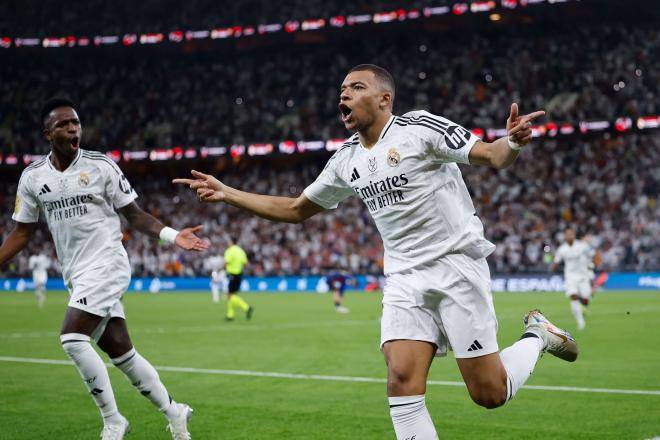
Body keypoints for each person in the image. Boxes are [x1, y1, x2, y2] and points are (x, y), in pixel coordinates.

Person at [175, 64, 578, 440]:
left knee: (489, 393)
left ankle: (537, 335)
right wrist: (228, 193)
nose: (343, 96)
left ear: (384, 99)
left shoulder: (419, 128)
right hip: (404, 277)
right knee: (401, 380)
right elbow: (296, 210)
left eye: (356, 88)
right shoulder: (345, 159)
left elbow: (492, 155)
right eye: (341, 90)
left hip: (455, 265)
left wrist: (511, 141)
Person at [0, 98, 208, 440]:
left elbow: (135, 215)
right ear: (47, 133)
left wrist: (172, 236)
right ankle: (175, 411)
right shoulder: (33, 177)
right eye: (64, 124)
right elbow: (22, 231)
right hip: (76, 273)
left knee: (72, 339)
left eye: (76, 123)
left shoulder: (101, 166)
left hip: (108, 263)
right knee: (120, 351)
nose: (73, 129)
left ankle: (113, 421)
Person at [550, 228, 595, 330]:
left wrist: (590, 265)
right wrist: (552, 267)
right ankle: (580, 322)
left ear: (574, 235)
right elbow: (556, 261)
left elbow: (590, 255)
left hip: (583, 276)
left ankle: (582, 299)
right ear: (565, 237)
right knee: (573, 296)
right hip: (570, 276)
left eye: (571, 234)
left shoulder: (582, 245)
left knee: (586, 300)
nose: (570, 236)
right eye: (568, 235)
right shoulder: (562, 249)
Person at [223, 237, 253, 321]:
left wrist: (222, 270)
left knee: (230, 295)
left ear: (231, 242)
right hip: (239, 275)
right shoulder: (241, 251)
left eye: (229, 241)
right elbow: (246, 263)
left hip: (232, 275)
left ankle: (247, 308)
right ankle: (230, 315)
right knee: (232, 295)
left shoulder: (229, 251)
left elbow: (226, 262)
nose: (228, 243)